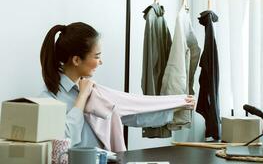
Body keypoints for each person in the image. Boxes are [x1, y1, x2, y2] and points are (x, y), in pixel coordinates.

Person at [40, 22, 195, 148]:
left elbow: (134, 112)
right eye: (97, 56)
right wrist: (81, 98)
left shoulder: (95, 93)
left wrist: (176, 105)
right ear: (76, 60)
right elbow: (64, 140)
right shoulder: (47, 101)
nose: (100, 61)